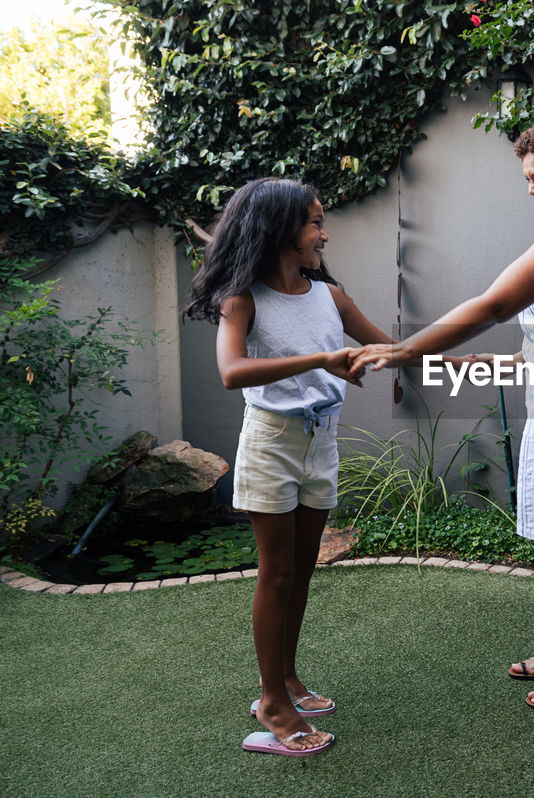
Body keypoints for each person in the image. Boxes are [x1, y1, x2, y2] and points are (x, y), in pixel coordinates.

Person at [353, 115, 534, 711]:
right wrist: (491, 364)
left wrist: (408, 348)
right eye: (527, 179)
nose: (533, 188)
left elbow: (492, 302)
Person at [184, 177, 391, 755]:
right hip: (271, 442)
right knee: (276, 572)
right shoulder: (242, 297)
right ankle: (271, 699)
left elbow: (389, 349)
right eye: (314, 223)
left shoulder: (331, 296)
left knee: (302, 568)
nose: (324, 234)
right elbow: (232, 371)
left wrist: (474, 358)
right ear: (279, 229)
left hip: (321, 440)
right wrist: (324, 357)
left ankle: (288, 678)